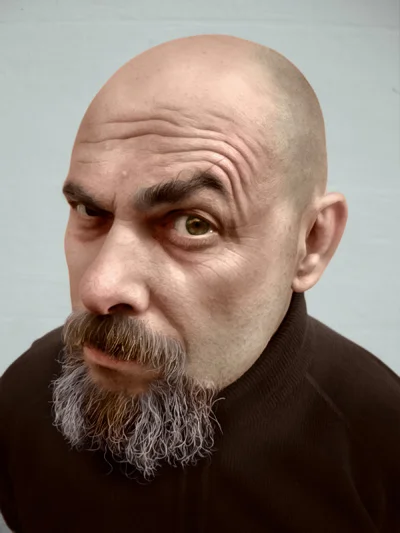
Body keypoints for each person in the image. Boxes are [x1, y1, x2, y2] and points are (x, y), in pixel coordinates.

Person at [0, 34, 399, 533]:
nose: (98, 289)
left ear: (310, 242)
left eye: (193, 224)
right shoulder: (21, 403)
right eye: (89, 210)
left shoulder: (380, 446)